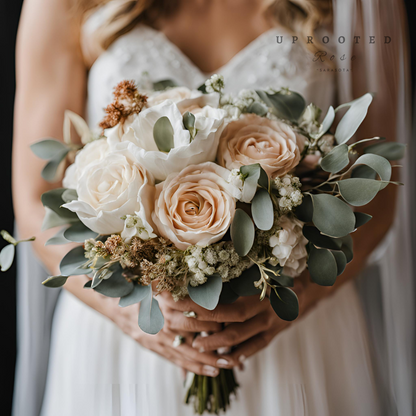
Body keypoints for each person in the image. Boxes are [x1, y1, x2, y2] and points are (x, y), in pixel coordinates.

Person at [12, 0, 414, 415]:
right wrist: (130, 314)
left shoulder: (360, 7)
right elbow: (34, 199)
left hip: (293, 332)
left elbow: (380, 194)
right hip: (126, 340)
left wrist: (295, 300)